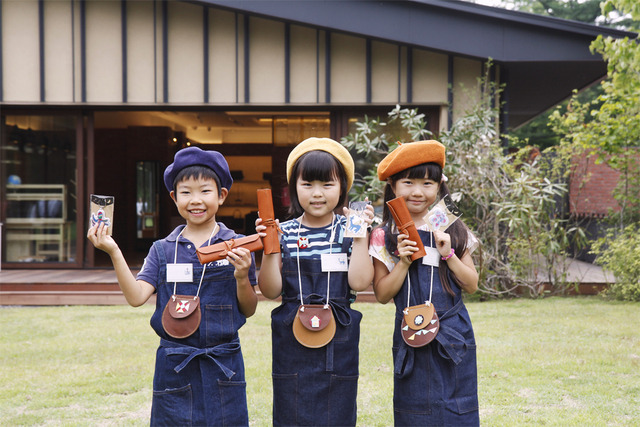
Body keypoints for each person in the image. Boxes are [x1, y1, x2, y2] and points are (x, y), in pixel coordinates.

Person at [87, 146, 258, 426]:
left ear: (222, 195)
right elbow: (136, 297)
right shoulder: (162, 249)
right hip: (174, 364)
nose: (196, 200)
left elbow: (249, 310)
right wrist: (114, 251)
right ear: (173, 197)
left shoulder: (236, 244)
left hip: (224, 362)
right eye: (186, 192)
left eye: (205, 191)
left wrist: (242, 276)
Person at [255, 137, 374, 426]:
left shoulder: (350, 231)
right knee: (290, 410)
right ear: (293, 188)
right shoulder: (283, 231)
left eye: (327, 184)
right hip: (291, 339)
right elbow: (270, 291)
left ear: (343, 188)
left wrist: (360, 238)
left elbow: (358, 282)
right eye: (307, 184)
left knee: (338, 411)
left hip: (339, 339)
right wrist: (270, 246)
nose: (317, 194)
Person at [369, 140, 480, 426]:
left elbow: (471, 284)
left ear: (439, 187)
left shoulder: (452, 226)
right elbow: (382, 294)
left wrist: (450, 255)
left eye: (428, 183)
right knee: (414, 410)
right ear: (393, 185)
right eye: (408, 182)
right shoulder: (384, 235)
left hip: (454, 334)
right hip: (410, 334)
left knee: (459, 407)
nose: (418, 191)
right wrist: (403, 261)